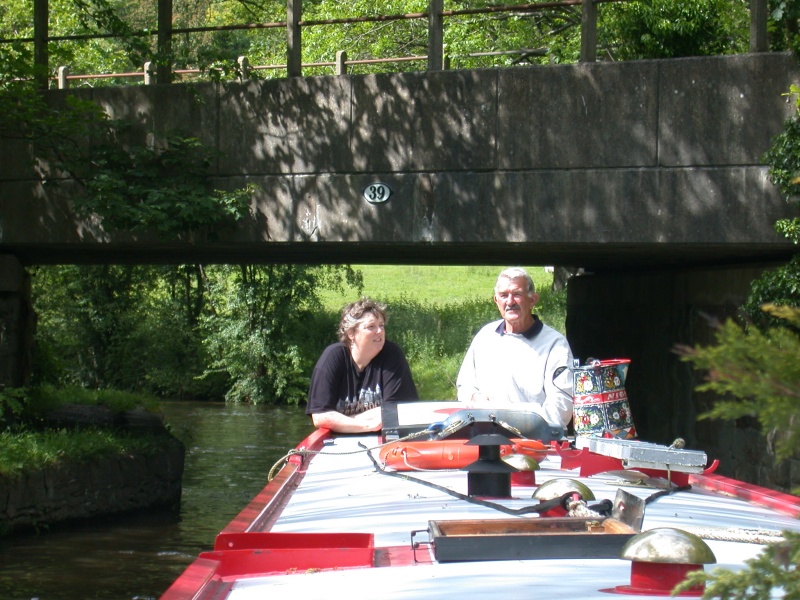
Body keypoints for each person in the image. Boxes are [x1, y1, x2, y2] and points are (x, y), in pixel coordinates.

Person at [456, 267, 574, 429]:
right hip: (486, 438)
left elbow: (561, 409)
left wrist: (511, 418)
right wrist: (476, 398)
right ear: (496, 301)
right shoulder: (485, 337)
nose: (510, 302)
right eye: (504, 295)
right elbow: (465, 386)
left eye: (517, 294)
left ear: (533, 300)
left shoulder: (555, 345)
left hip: (536, 443)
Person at [306, 297, 419, 433]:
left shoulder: (392, 355)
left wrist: (342, 421)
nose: (380, 331)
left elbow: (393, 413)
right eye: (371, 327)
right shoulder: (332, 357)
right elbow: (320, 416)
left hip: (385, 440)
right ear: (351, 333)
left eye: (381, 325)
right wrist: (368, 425)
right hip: (339, 443)